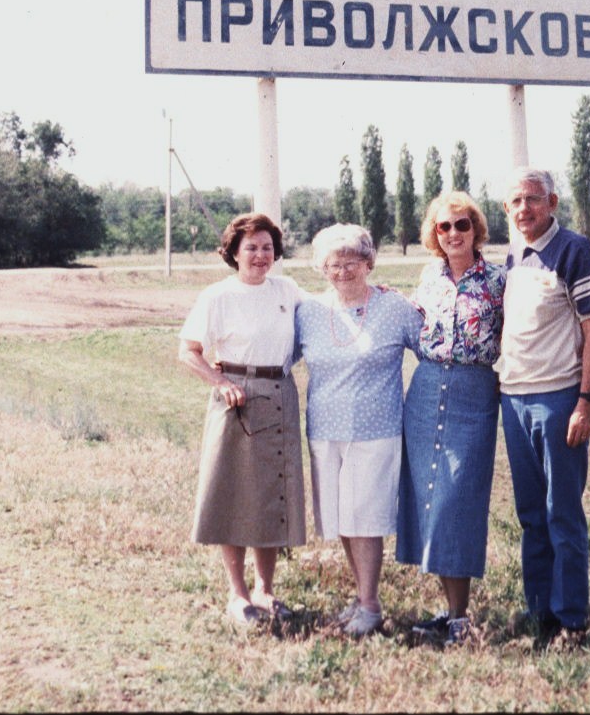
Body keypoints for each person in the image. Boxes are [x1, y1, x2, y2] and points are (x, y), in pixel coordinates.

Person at [176, 212, 306, 627]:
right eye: (251, 247)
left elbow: (326, 314)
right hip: (237, 400)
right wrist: (220, 382)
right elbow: (189, 350)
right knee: (233, 496)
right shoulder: (217, 296)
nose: (260, 255)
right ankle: (239, 595)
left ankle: (266, 591)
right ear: (234, 251)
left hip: (280, 396)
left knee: (271, 498)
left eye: (267, 247)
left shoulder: (287, 290)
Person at [497, 167, 590, 647]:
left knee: (561, 511)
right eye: (516, 201)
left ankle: (572, 621)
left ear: (553, 203)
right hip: (514, 398)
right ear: (507, 209)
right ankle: (539, 613)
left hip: (559, 399)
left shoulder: (574, 250)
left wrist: (585, 401)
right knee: (530, 515)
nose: (525, 209)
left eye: (534, 200)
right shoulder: (514, 256)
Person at [294, 224, 421, 638]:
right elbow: (277, 351)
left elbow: (434, 349)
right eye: (334, 264)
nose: (343, 270)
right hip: (324, 429)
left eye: (352, 262)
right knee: (342, 516)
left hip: (376, 428)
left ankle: (370, 604)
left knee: (364, 516)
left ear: (368, 263)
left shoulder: (394, 308)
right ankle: (363, 598)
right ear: (322, 268)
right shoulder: (309, 311)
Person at [396, 191, 507, 647]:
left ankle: (462, 618)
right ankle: (450, 610)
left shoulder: (500, 280)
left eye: (462, 225)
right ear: (434, 235)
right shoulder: (429, 278)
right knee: (430, 500)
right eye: (445, 227)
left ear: (476, 230)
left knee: (458, 500)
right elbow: (413, 322)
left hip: (473, 392)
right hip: (424, 392)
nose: (454, 234)